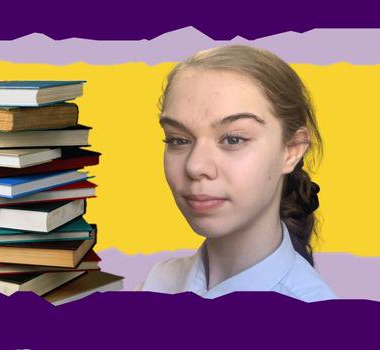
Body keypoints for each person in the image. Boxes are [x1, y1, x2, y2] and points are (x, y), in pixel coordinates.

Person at [136, 45, 337, 302]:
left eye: (232, 139)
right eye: (177, 140)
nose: (195, 166)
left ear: (291, 149)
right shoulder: (158, 283)